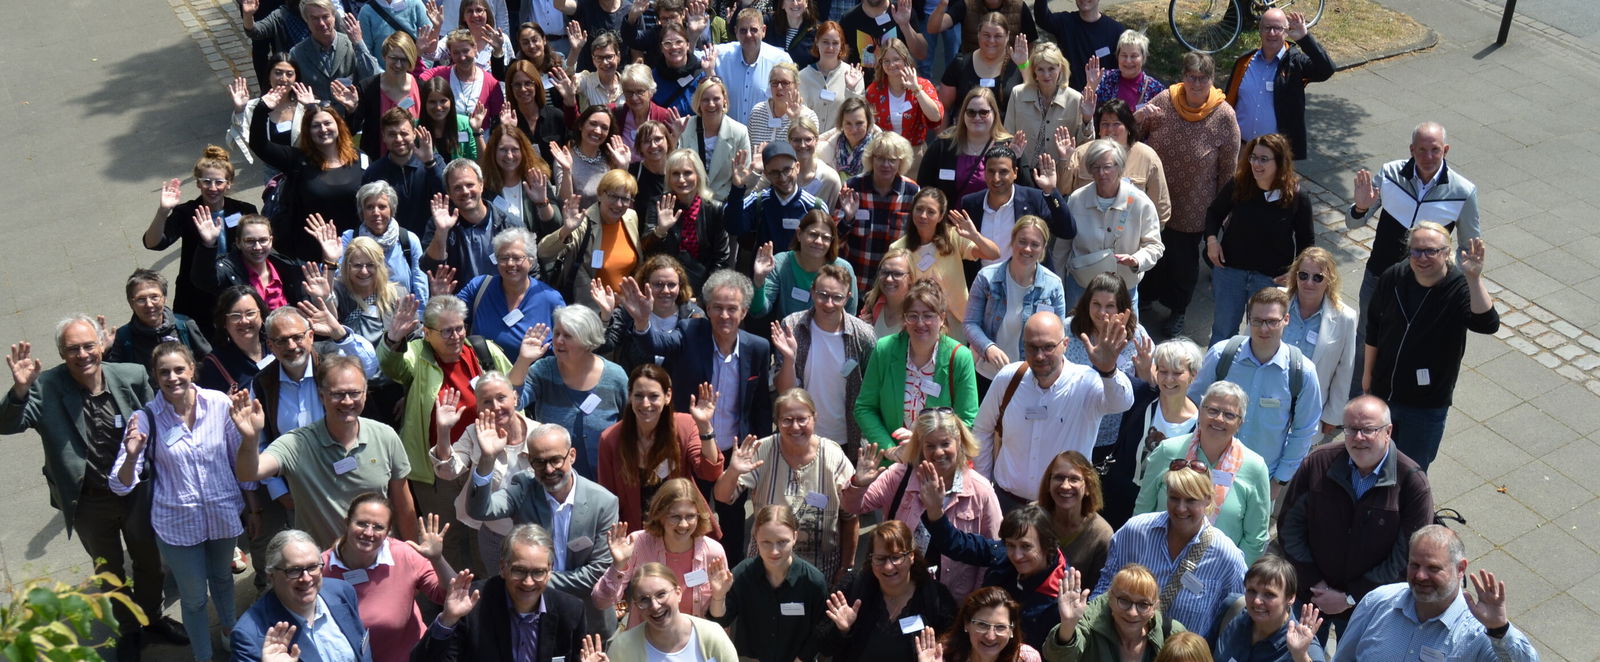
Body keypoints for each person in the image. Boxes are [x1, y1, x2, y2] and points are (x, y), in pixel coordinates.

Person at [1, 317, 188, 655]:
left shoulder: (130, 376)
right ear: (61, 352)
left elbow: (161, 420)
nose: (83, 354)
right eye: (73, 349)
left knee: (153, 563)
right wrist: (19, 391)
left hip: (136, 492)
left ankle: (151, 618)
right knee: (109, 570)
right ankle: (128, 628)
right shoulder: (45, 387)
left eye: (89, 346)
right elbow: (8, 424)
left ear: (101, 345)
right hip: (88, 502)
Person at [620, 269, 775, 563]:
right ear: (706, 309)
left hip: (733, 451)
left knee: (731, 520)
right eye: (717, 307)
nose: (724, 315)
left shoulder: (757, 347)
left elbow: (760, 407)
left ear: (744, 312)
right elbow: (657, 344)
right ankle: (682, 574)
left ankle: (727, 582)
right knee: (684, 517)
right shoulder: (690, 332)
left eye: (732, 309)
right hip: (689, 451)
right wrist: (642, 321)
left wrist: (761, 453)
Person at [108, 344, 244, 662]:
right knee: (195, 597)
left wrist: (253, 505)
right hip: (177, 525)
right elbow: (119, 483)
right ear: (155, 376)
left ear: (192, 370)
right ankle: (203, 655)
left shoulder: (219, 403)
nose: (173, 377)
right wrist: (130, 456)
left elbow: (239, 461)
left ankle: (231, 633)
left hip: (223, 513)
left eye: (179, 369)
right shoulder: (145, 418)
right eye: (164, 372)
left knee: (224, 578)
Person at [380, 294, 523, 568]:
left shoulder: (483, 350)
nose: (456, 336)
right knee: (448, 539)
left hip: (483, 462)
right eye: (447, 331)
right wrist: (393, 339)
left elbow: (512, 391)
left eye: (459, 327)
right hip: (437, 469)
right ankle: (451, 596)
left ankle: (485, 595)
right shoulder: (417, 355)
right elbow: (392, 366)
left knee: (485, 534)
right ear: (427, 333)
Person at [1278, 396, 1433, 642]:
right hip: (1311, 596)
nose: (1358, 438)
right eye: (1351, 429)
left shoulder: (1412, 483)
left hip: (1370, 610)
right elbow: (1289, 528)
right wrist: (1315, 584)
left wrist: (1350, 597)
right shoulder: (1319, 463)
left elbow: (1408, 557)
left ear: (1388, 432)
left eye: (1368, 430)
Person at [1345, 122, 1481, 403]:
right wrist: (1360, 207)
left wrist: (1467, 282)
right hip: (1379, 276)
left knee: (1410, 343)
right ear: (1411, 150)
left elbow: (1468, 248)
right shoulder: (1390, 173)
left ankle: (1396, 401)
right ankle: (1357, 400)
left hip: (1425, 288)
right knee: (1365, 339)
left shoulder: (1463, 191)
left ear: (1446, 150)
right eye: (1422, 150)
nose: (1428, 157)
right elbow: (1354, 222)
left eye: (1435, 150)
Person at [234, 354, 418, 546]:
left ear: (365, 393)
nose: (347, 401)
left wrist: (413, 557)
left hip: (379, 559)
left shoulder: (385, 436)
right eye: (337, 394)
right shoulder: (297, 443)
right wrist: (250, 438)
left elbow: (403, 506)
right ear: (322, 396)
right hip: (323, 568)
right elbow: (249, 472)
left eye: (354, 393)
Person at [466, 423, 622, 635]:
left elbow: (599, 572)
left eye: (555, 460)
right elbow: (479, 510)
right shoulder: (523, 488)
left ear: (572, 455)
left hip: (587, 617)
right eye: (539, 462)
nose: (549, 470)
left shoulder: (603, 502)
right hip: (532, 614)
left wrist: (537, 580)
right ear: (530, 462)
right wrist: (487, 459)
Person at [974, 311, 1132, 507]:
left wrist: (1109, 370)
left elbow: (1123, 402)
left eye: (1048, 347)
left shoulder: (1086, 382)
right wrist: (983, 486)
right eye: (1032, 347)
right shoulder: (1009, 378)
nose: (1040, 356)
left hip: (1063, 509)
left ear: (1065, 344)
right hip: (1007, 503)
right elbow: (982, 430)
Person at [843, 408, 1001, 601]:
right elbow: (854, 507)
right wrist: (858, 483)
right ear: (920, 447)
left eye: (945, 444)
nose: (938, 452)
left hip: (955, 601)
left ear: (959, 441)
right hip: (901, 595)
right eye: (930, 446)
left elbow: (994, 554)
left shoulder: (981, 491)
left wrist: (975, 605)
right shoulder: (899, 475)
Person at [1136, 52, 1239, 338]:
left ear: (1212, 79)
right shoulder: (1163, 101)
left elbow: (1228, 169)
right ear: (1183, 77)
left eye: (1202, 78)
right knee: (1151, 253)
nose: (1196, 83)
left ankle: (1178, 311)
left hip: (1193, 207)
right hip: (1155, 200)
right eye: (1191, 77)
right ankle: (1145, 297)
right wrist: (1139, 116)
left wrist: (1222, 212)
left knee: (1183, 264)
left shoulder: (1224, 116)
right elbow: (1133, 133)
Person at [1332, 525, 1539, 662]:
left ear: (1460, 569)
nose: (1420, 576)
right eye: (1415, 565)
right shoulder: (1378, 602)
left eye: (1433, 568)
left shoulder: (1478, 632)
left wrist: (1499, 629)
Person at [714, 389, 859, 580]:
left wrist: (847, 567)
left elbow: (851, 517)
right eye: (787, 420)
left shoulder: (833, 455)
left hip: (822, 572)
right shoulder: (763, 449)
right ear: (777, 421)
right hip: (765, 569)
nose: (795, 427)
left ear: (814, 418)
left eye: (802, 419)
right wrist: (733, 471)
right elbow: (722, 496)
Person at [1189, 287, 1321, 492]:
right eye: (1257, 321)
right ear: (1248, 319)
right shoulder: (1221, 355)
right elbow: (1191, 405)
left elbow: (1304, 431)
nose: (1264, 329)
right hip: (1206, 468)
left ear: (1286, 319)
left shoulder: (1302, 373)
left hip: (1259, 479)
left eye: (1272, 321)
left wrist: (1280, 481)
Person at [1092, 469, 1247, 637]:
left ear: (1208, 500)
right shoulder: (1136, 531)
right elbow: (1105, 587)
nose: (1181, 508)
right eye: (1174, 497)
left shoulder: (1227, 557)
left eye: (1191, 500)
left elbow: (1238, 617)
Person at [1133, 381, 1273, 562]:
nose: (1219, 419)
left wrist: (1232, 580)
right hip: (1155, 559)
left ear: (1240, 423)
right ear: (1200, 411)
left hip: (1217, 574)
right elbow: (1143, 510)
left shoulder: (1255, 468)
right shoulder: (1167, 451)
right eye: (1213, 410)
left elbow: (1255, 540)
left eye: (1229, 415)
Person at [413, 523, 591, 660]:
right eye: (519, 570)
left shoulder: (571, 611)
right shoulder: (471, 604)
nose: (528, 582)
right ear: (502, 567)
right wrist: (447, 620)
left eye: (538, 572)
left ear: (550, 571)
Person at [1204, 133, 1314, 345]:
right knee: (1222, 332)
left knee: (1262, 337)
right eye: (1253, 157)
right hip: (1230, 271)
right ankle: (1215, 376)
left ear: (1280, 162)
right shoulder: (1239, 184)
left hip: (1269, 279)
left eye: (1264, 159)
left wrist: (1295, 272)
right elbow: (1214, 213)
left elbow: (1306, 243)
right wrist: (1211, 241)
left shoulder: (1297, 197)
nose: (1255, 163)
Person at [321, 494, 454, 662]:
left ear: (388, 531)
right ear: (347, 523)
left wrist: (437, 559)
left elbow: (449, 595)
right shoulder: (320, 569)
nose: (368, 532)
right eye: (361, 523)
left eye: (378, 527)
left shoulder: (404, 555)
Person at [144, 147, 260, 335]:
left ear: (228, 183)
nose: (212, 188)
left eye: (218, 182)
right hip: (196, 295)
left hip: (236, 289)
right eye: (206, 181)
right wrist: (163, 211)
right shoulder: (186, 212)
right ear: (198, 183)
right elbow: (154, 243)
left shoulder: (244, 210)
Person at [919, 503, 1066, 652]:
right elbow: (957, 543)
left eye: (1026, 546)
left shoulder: (1063, 594)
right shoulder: (1001, 554)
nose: (1016, 555)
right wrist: (934, 508)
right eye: (1010, 545)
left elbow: (1059, 652)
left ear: (1048, 545)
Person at [597, 364, 725, 535]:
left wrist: (704, 427)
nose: (645, 403)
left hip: (683, 530)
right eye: (639, 396)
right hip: (637, 535)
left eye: (653, 396)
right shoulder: (610, 439)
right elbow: (608, 499)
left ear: (668, 396)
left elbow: (710, 472)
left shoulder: (685, 426)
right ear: (629, 396)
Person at [854, 278, 980, 451]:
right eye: (913, 316)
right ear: (904, 319)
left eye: (928, 315)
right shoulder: (884, 350)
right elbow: (864, 408)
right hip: (892, 459)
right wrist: (890, 449)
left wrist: (920, 441)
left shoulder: (959, 357)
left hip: (937, 459)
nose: (920, 323)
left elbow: (967, 419)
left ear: (942, 318)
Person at [247, 84, 368, 262]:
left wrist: (353, 110)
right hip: (310, 256)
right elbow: (260, 145)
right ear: (308, 132)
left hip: (356, 251)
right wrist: (262, 110)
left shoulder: (360, 158)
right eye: (315, 126)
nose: (323, 129)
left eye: (328, 123)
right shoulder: (297, 160)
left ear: (338, 126)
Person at [813, 520, 957, 662]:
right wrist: (841, 630)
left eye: (896, 557)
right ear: (871, 559)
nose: (888, 566)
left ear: (911, 556)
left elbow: (954, 647)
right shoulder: (853, 586)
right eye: (880, 558)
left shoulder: (936, 597)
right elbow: (824, 646)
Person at [771, 266, 878, 455]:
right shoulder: (792, 327)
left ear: (848, 297)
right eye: (822, 295)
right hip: (800, 434)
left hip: (846, 439)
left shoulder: (863, 336)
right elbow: (784, 392)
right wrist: (789, 358)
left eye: (837, 297)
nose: (829, 303)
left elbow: (872, 391)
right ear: (812, 292)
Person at [431, 372, 531, 571]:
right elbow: (448, 471)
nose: (495, 406)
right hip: (494, 536)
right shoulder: (473, 433)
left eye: (501, 398)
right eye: (486, 401)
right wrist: (443, 431)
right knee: (497, 591)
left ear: (515, 397)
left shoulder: (540, 433)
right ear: (478, 408)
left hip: (535, 534)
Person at [592, 480, 728, 626]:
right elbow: (601, 602)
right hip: (646, 641)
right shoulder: (638, 543)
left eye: (690, 516)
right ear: (660, 516)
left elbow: (718, 617)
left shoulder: (713, 552)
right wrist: (618, 566)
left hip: (694, 642)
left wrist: (719, 596)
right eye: (675, 517)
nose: (683, 524)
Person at [706, 504, 832, 661]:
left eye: (782, 542)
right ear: (756, 536)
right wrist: (718, 596)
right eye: (766, 542)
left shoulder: (812, 581)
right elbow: (720, 620)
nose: (774, 551)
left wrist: (802, 658)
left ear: (795, 537)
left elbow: (821, 629)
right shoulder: (743, 574)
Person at [519, 305, 629, 477]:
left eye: (568, 336)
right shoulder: (543, 371)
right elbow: (513, 400)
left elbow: (630, 424)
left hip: (607, 481)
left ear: (587, 341)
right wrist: (523, 361)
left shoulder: (616, 377)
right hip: (554, 480)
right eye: (556, 333)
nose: (558, 341)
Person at [1103, 339, 1203, 527]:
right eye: (1163, 371)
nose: (1168, 379)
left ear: (1193, 375)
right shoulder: (1141, 398)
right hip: (1117, 502)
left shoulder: (1201, 426)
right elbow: (1112, 382)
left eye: (1177, 373)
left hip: (1164, 514)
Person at [233, 529, 369, 661]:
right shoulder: (249, 636)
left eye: (312, 567)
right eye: (294, 570)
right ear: (271, 576)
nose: (306, 578)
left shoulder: (342, 592)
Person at [1060, 140, 1164, 306]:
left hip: (1123, 289)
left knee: (1122, 332)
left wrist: (1136, 260)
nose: (1101, 173)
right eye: (1095, 167)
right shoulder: (1076, 199)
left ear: (1120, 167)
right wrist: (1058, 284)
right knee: (1077, 331)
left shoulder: (1140, 202)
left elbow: (1155, 246)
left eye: (1107, 167)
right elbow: (1063, 245)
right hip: (1081, 287)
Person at [890, 188, 1002, 342]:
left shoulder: (953, 237)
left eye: (930, 212)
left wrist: (975, 235)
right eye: (919, 209)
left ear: (940, 216)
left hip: (956, 321)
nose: (923, 216)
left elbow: (993, 254)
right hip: (920, 323)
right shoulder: (898, 248)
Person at [963, 217, 1068, 379]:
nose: (1027, 249)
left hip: (1030, 376)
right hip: (987, 372)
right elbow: (970, 323)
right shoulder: (986, 278)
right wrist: (988, 348)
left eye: (1035, 244)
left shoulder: (1053, 286)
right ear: (1012, 242)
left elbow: (1058, 334)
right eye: (1022, 241)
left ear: (1043, 248)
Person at [1225, 9, 1333, 160]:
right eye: (1267, 27)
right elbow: (1228, 102)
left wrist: (1305, 38)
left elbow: (1326, 69)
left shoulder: (1295, 64)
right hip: (1241, 149)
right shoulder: (1244, 62)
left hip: (1274, 155)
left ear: (1286, 31)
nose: (1272, 33)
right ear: (1260, 31)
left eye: (1278, 28)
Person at [1064, 273, 1153, 452]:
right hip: (1073, 427)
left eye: (1110, 306)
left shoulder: (1136, 336)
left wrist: (1145, 372)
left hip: (1117, 431)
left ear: (1122, 308)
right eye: (1096, 304)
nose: (1102, 313)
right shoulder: (1068, 329)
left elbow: (1149, 386)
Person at [190, 214, 341, 314]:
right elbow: (203, 280)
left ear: (271, 240)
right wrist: (208, 244)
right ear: (238, 243)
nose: (257, 247)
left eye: (263, 240)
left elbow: (321, 300)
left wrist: (330, 259)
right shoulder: (228, 270)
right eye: (250, 241)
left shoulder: (287, 267)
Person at [958, 148, 1076, 276]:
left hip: (1027, 285)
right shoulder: (970, 204)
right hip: (984, 287)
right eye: (991, 171)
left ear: (1015, 173)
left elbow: (1067, 231)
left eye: (1003, 172)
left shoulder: (1034, 199)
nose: (996, 178)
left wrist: (1051, 192)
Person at [454, 227, 566, 356]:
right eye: (504, 258)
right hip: (486, 374)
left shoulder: (550, 298)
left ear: (531, 261)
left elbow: (567, 344)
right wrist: (439, 295)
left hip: (533, 375)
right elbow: (447, 318)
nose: (510, 263)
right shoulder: (479, 287)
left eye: (517, 258)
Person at [541, 169, 644, 308]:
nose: (619, 204)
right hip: (592, 311)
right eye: (613, 196)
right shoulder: (583, 224)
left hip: (627, 308)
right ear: (600, 194)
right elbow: (543, 252)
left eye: (625, 199)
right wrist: (566, 230)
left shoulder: (631, 217)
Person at [1281, 247, 1357, 435]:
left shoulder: (1345, 318)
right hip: (1265, 401)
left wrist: (1332, 415)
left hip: (1308, 411)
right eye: (1303, 275)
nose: (1309, 283)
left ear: (1329, 280)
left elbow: (1345, 370)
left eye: (1318, 277)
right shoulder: (1275, 301)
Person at [1063, 99, 1170, 229]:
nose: (1110, 129)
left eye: (1116, 124)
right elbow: (1063, 189)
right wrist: (1065, 160)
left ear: (1129, 128)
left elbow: (1160, 207)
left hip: (1129, 237)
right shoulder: (1082, 153)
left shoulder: (1147, 157)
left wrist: (1148, 237)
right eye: (1105, 124)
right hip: (1086, 232)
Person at [1043, 563, 1182, 662]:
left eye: (1143, 604)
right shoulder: (1088, 625)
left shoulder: (1172, 634)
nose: (1133, 612)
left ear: (1154, 608)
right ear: (1110, 598)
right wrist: (1068, 625)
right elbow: (1056, 657)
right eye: (1124, 600)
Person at [603, 561, 742, 660]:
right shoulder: (622, 647)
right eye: (644, 600)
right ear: (636, 605)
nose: (655, 606)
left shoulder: (712, 635)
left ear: (678, 593)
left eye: (661, 594)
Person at [595, 258, 708, 376]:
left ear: (680, 287)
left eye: (672, 285)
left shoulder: (694, 316)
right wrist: (606, 317)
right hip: (635, 389)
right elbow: (603, 347)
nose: (665, 291)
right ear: (645, 285)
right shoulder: (629, 311)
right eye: (658, 285)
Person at [642, 150, 735, 292]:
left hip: (704, 287)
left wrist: (705, 294)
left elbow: (721, 259)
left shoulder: (714, 209)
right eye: (675, 174)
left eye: (687, 173)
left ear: (697, 175)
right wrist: (661, 231)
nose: (681, 179)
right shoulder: (658, 204)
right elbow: (646, 251)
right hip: (665, 286)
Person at [422, 159, 523, 289]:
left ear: (481, 185)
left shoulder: (510, 225)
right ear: (449, 193)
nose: (465, 191)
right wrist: (442, 232)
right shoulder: (439, 224)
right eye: (457, 187)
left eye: (470, 185)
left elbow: (530, 270)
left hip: (504, 304)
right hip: (459, 305)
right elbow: (429, 269)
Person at [1212, 555, 1327, 662]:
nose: (1257, 601)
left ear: (1290, 597)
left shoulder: (1304, 647)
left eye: (1269, 594)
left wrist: (1300, 657)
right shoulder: (1232, 609)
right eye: (1251, 591)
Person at [1004, 41, 1094, 176]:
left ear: (1060, 68)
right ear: (1034, 70)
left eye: (1051, 69)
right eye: (1041, 69)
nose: (1046, 75)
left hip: (1060, 174)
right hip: (1022, 171)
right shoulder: (1018, 93)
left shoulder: (1075, 99)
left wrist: (1087, 119)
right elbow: (1007, 133)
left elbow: (1085, 146)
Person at [753, 211, 859, 320]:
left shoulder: (844, 268)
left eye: (826, 238)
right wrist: (758, 280)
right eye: (813, 234)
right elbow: (758, 311)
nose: (819, 241)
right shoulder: (780, 263)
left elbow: (850, 316)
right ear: (799, 234)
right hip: (788, 334)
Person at [730, 141, 831, 253]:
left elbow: (828, 246)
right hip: (764, 269)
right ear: (766, 174)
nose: (782, 178)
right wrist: (737, 188)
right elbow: (734, 227)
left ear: (797, 167)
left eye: (787, 170)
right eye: (774, 172)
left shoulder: (816, 207)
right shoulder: (758, 201)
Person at [1035, 451, 1114, 590]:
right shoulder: (1032, 517)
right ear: (1048, 483)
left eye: (1074, 479)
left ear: (1088, 487)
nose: (1065, 486)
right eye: (1059, 477)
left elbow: (1098, 591)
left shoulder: (1101, 535)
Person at [342, 181, 430, 304]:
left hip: (402, 315)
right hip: (361, 314)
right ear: (362, 212)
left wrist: (419, 318)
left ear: (391, 210)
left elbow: (420, 284)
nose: (376, 212)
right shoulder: (350, 238)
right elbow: (340, 279)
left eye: (382, 207)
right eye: (370, 207)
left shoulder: (408, 240)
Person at [108, 269, 214, 369]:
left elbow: (211, 362)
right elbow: (114, 374)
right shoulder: (124, 336)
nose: (149, 304)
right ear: (131, 303)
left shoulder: (185, 325)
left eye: (154, 297)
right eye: (141, 299)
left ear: (164, 298)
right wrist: (105, 351)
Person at [345, 33, 425, 162]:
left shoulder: (421, 88)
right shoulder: (368, 88)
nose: (398, 64)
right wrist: (352, 110)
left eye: (404, 59)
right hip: (377, 164)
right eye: (394, 58)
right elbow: (350, 131)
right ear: (384, 56)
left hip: (414, 164)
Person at [913, 586, 1044, 662]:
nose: (990, 636)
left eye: (1000, 627)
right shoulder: (943, 657)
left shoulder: (1027, 658)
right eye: (982, 625)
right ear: (966, 624)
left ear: (1011, 630)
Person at [711, 9, 797, 125]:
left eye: (754, 30)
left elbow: (793, 99)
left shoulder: (780, 60)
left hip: (766, 138)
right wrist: (693, 35)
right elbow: (689, 56)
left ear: (763, 31)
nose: (748, 35)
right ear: (736, 32)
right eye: (743, 30)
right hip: (730, 138)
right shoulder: (720, 55)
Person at [934, 16, 1024, 125]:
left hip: (1006, 139)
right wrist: (944, 140)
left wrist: (1024, 64)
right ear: (978, 34)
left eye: (998, 36)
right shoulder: (960, 64)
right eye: (986, 35)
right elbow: (942, 107)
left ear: (1007, 36)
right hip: (964, 138)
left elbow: (1033, 98)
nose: (991, 41)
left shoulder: (1019, 65)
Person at [286, 0, 381, 101]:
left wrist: (359, 43)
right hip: (316, 114)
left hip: (351, 113)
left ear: (334, 16)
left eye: (325, 16)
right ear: (306, 20)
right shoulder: (297, 53)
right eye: (314, 18)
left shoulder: (352, 45)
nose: (321, 23)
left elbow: (373, 77)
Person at [225, 60, 308, 176]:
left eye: (289, 74)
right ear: (269, 76)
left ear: (296, 78)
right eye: (278, 73)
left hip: (306, 169)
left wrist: (312, 108)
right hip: (272, 173)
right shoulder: (253, 107)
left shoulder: (305, 105)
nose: (283, 78)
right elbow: (237, 143)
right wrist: (240, 110)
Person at [678, 78, 754, 203]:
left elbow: (744, 178)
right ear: (698, 103)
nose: (711, 104)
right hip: (690, 204)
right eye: (705, 100)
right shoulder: (684, 127)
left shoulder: (740, 132)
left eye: (716, 99)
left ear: (724, 100)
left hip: (724, 205)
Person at [480, 121, 562, 235]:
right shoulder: (484, 187)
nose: (509, 156)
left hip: (533, 250)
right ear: (493, 152)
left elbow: (555, 227)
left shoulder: (537, 179)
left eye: (514, 149)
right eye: (503, 150)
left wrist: (542, 203)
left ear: (523, 151)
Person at [864, 38, 943, 149]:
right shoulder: (874, 90)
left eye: (896, 59)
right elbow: (864, 124)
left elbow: (936, 117)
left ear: (905, 60)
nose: (891, 65)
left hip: (914, 151)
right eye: (886, 61)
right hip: (884, 153)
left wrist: (917, 90)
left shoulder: (923, 85)